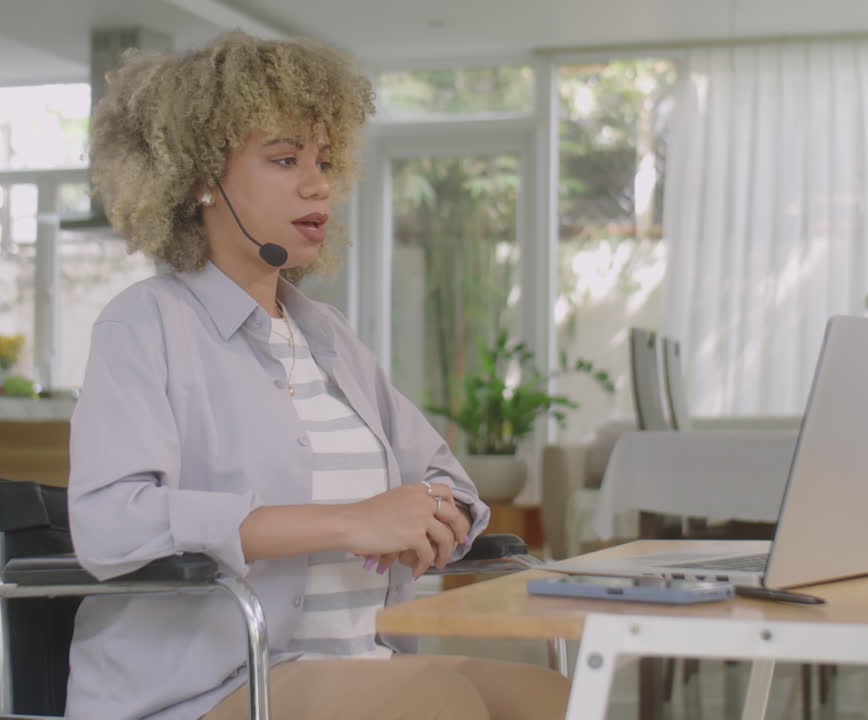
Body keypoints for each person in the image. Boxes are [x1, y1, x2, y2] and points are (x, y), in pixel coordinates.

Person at [66, 30, 570, 720]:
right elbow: (108, 522)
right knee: (434, 702)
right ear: (197, 178)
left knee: (560, 699)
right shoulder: (144, 324)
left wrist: (437, 514)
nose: (316, 184)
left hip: (359, 664)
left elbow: (447, 480)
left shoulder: (326, 335)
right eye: (284, 159)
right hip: (212, 687)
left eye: (325, 161)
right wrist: (347, 522)